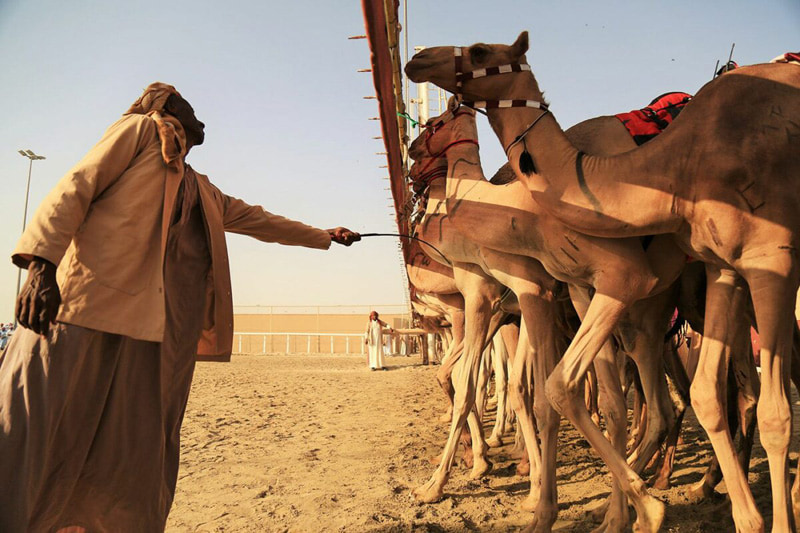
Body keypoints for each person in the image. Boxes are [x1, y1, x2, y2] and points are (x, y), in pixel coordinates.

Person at [0, 82, 360, 532]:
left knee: (131, 458)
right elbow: (76, 185)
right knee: (31, 432)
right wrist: (40, 265)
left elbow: (261, 220)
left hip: (151, 340)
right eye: (189, 104)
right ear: (167, 105)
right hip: (79, 311)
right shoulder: (139, 133)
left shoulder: (203, 190)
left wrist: (323, 235)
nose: (201, 115)